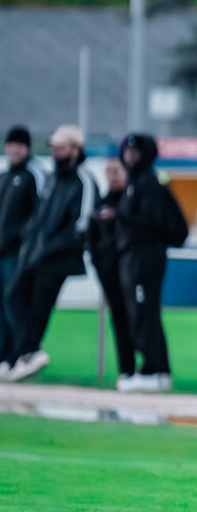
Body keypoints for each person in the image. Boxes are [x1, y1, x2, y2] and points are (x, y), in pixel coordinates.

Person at [1, 126, 97, 382]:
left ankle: (25, 354)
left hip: (58, 259)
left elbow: (82, 224)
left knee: (38, 308)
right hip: (34, 254)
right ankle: (23, 354)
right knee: (13, 297)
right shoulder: (54, 178)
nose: (55, 152)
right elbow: (38, 217)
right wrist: (31, 243)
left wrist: (52, 246)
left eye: (60, 147)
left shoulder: (83, 180)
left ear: (74, 149)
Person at [116, 133, 187, 391]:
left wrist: (119, 217)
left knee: (146, 312)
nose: (130, 157)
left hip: (145, 257)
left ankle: (154, 370)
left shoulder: (147, 182)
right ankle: (154, 368)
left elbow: (152, 221)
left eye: (135, 152)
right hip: (135, 257)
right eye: (127, 152)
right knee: (140, 312)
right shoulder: (134, 181)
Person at [88, 156, 137, 387]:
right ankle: (126, 369)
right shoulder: (101, 202)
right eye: (108, 171)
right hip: (109, 271)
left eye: (116, 170)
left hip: (132, 270)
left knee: (137, 317)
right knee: (118, 318)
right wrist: (98, 260)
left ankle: (149, 369)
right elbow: (91, 237)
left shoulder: (132, 200)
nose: (112, 175)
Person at [0, 125, 42, 365]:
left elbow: (38, 216)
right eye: (11, 145)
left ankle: (17, 354)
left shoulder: (31, 176)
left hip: (16, 253)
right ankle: (3, 355)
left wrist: (23, 241)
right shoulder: (4, 177)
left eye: (19, 146)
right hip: (1, 251)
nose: (14, 150)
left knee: (13, 300)